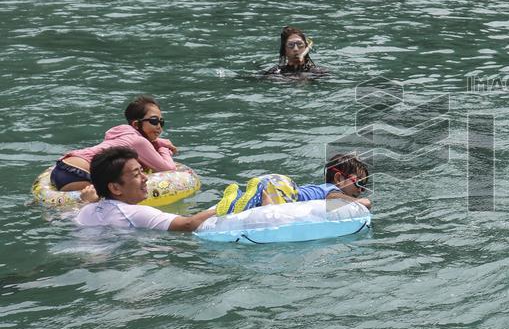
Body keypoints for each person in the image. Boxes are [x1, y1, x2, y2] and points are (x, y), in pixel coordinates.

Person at [50, 95, 178, 193]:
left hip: (61, 168)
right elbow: (169, 170)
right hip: (79, 174)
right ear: (136, 124)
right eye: (154, 121)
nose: (159, 127)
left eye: (161, 122)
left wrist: (157, 142)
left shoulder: (120, 133)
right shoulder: (139, 142)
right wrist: (163, 148)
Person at [75, 147, 215, 232]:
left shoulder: (86, 210)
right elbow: (188, 225)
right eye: (136, 174)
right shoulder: (135, 213)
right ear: (115, 188)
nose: (146, 178)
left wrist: (89, 202)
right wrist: (223, 207)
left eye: (142, 171)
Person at [216, 153, 372, 216]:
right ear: (338, 178)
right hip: (284, 190)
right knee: (269, 212)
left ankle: (234, 197)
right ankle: (256, 195)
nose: (362, 189)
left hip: (277, 183)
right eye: (359, 183)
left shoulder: (317, 188)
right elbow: (333, 197)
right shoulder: (332, 189)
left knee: (247, 208)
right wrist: (361, 202)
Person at [262, 26, 327, 76]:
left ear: (305, 47)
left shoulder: (318, 73)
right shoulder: (275, 73)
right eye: (291, 45)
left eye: (299, 44)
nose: (296, 49)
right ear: (285, 50)